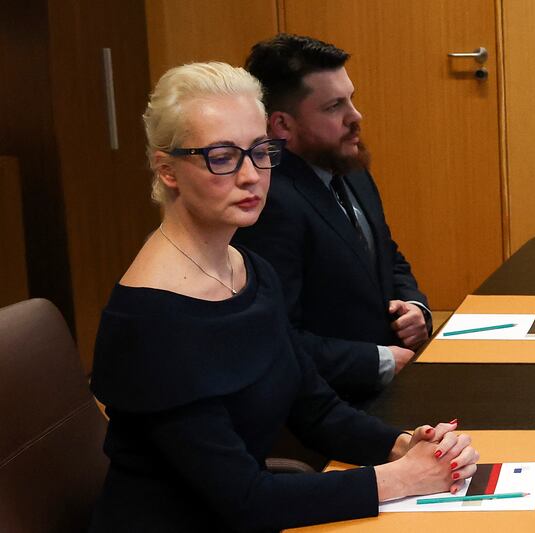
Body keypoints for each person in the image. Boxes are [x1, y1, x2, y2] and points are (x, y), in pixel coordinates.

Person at [88, 62, 477, 532]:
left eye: (260, 151)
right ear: (167, 169)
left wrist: (405, 445)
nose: (251, 175)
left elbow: (314, 407)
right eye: (222, 156)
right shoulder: (151, 321)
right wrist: (400, 478)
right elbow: (247, 499)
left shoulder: (249, 269)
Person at [234, 34, 431, 399]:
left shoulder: (349, 166)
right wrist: (377, 360)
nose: (355, 117)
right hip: (326, 403)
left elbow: (387, 254)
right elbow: (277, 338)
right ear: (282, 126)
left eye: (351, 99)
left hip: (387, 383)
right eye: (334, 107)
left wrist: (414, 307)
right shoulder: (270, 203)